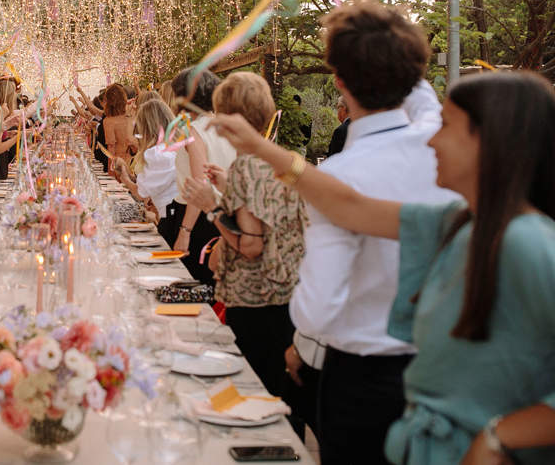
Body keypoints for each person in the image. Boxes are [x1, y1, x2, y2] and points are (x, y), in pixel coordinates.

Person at [209, 70, 555, 464]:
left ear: (489, 142)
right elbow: (349, 206)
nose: (431, 139)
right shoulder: (458, 220)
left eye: (447, 127)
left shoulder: (528, 242)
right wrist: (260, 147)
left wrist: (497, 437)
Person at [228, 0, 454, 465]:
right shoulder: (440, 142)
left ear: (340, 83)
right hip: (445, 371)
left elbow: (317, 310)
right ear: (415, 74)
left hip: (367, 383)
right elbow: (419, 93)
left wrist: (299, 347)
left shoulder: (339, 177)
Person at [180, 72, 307, 403]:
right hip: (285, 298)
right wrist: (225, 189)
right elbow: (265, 214)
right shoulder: (273, 158)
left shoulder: (246, 167)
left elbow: (251, 244)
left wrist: (211, 207)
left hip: (255, 299)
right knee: (278, 398)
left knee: (251, 395)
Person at [167, 68, 236, 286]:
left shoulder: (193, 131)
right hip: (223, 214)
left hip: (197, 217)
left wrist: (185, 231)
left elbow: (199, 184)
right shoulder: (224, 127)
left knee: (192, 285)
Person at [113, 99, 178, 238]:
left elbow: (141, 194)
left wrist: (125, 179)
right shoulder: (172, 146)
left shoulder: (158, 153)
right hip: (173, 215)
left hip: (172, 219)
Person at [103, 83, 137, 162]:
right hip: (133, 160)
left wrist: (110, 169)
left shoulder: (108, 121)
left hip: (118, 161)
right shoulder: (131, 116)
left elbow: (111, 148)